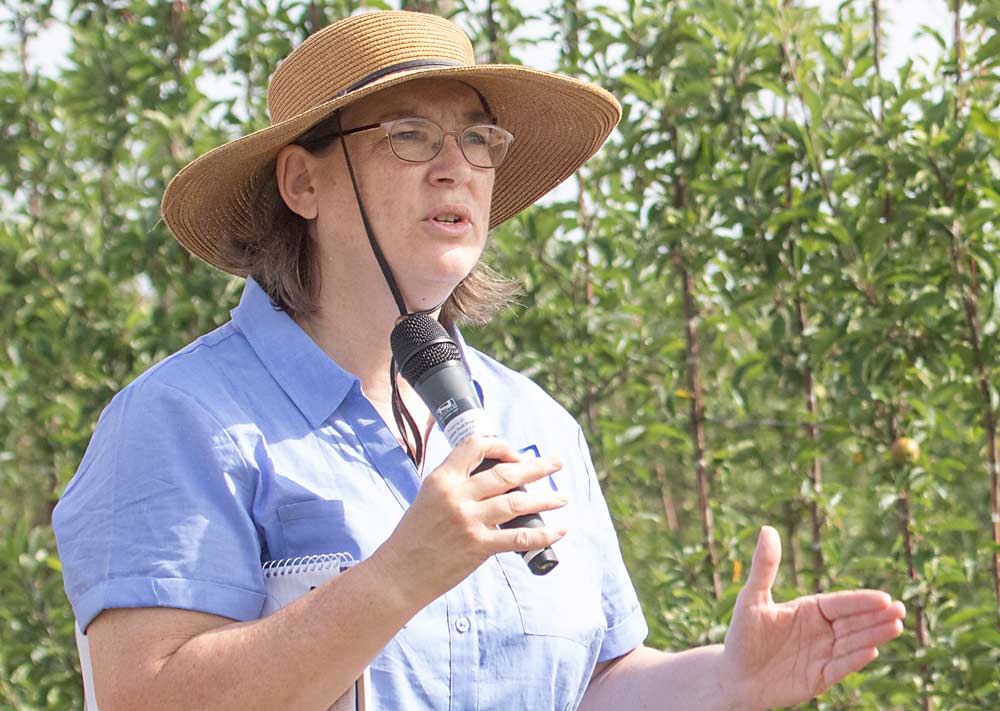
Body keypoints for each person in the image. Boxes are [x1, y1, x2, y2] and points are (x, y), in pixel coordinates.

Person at [52, 10, 906, 711]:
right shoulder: (179, 421)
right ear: (301, 185)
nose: (456, 167)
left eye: (478, 140)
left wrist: (727, 679)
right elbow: (145, 697)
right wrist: (397, 576)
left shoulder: (536, 423)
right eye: (410, 135)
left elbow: (595, 686)